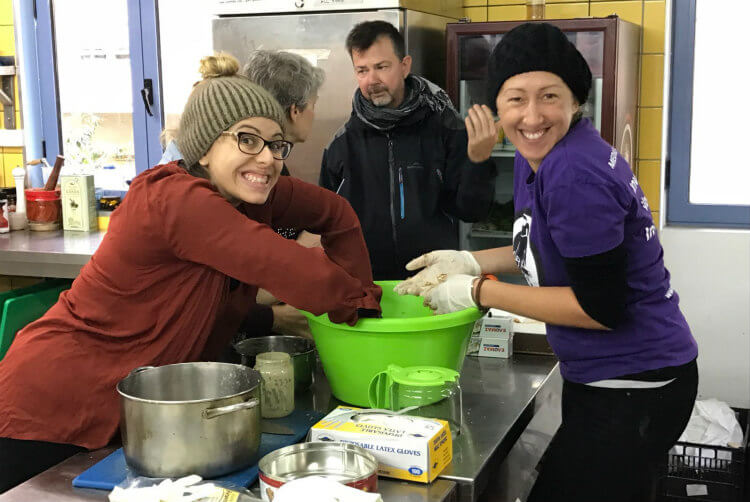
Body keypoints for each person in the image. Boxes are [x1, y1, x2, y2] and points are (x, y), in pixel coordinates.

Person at [0, 54, 381, 493]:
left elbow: (337, 213)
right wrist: (369, 314)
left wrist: (363, 289)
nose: (269, 159)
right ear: (202, 147)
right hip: (54, 404)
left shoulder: (253, 195)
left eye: (277, 145)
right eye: (247, 140)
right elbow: (297, 273)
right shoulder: (175, 200)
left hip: (133, 415)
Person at [396, 23, 698, 502]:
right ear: (496, 106)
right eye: (516, 99)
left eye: (549, 96)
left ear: (576, 100)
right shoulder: (538, 156)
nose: (532, 115)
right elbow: (539, 246)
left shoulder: (573, 172)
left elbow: (601, 308)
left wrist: (478, 292)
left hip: (635, 383)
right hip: (613, 379)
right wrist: (468, 261)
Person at [319, 20, 499, 280]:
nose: (372, 80)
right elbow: (325, 224)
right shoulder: (342, 143)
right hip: (365, 285)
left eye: (382, 67)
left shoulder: (446, 128)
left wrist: (479, 161)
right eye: (362, 70)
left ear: (405, 66)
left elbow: (471, 211)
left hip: (434, 279)